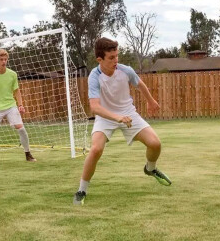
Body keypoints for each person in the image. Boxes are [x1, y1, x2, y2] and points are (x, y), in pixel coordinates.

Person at [73, 37, 171, 205]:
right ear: (99, 59)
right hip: (105, 117)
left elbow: (140, 84)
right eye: (111, 58)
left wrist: (150, 101)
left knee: (155, 144)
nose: (116, 60)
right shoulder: (94, 77)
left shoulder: (125, 70)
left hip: (128, 113)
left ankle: (150, 169)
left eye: (117, 56)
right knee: (96, 149)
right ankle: (81, 190)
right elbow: (95, 107)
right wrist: (116, 117)